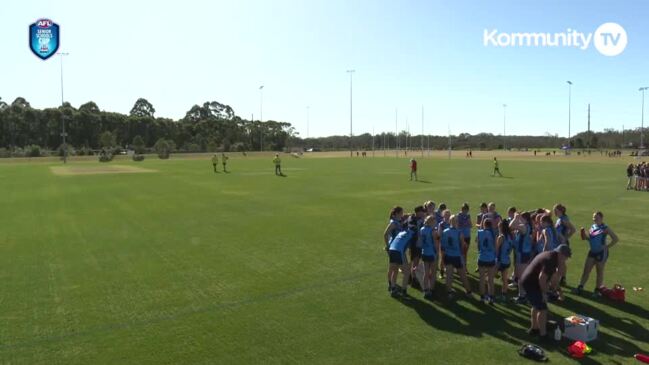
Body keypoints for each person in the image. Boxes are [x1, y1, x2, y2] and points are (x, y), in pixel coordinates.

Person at [520, 244, 571, 341]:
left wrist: (559, 290)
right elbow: (542, 278)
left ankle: (534, 329)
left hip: (530, 281)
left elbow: (554, 278)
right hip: (531, 283)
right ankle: (542, 335)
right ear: (561, 254)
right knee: (542, 309)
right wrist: (543, 293)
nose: (566, 260)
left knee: (536, 306)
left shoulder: (553, 257)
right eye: (566, 257)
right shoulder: (550, 260)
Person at [573, 211, 619, 296]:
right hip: (592, 251)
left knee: (599, 271)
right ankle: (580, 287)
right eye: (594, 217)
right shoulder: (593, 226)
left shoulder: (605, 228)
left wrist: (606, 247)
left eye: (597, 217)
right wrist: (584, 236)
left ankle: (597, 290)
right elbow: (590, 239)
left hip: (601, 253)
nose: (595, 219)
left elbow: (615, 239)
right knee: (586, 270)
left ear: (601, 218)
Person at [440, 215, 472, 299]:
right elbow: (462, 247)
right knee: (463, 275)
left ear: (449, 222)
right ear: (457, 222)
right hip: (457, 256)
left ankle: (449, 293)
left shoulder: (445, 231)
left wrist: (443, 257)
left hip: (448, 256)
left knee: (449, 275)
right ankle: (469, 292)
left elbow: (442, 246)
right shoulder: (459, 232)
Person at [387, 222, 417, 297]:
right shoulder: (412, 235)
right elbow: (409, 248)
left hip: (391, 249)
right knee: (407, 272)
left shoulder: (401, 232)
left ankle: (393, 288)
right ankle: (404, 291)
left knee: (395, 270)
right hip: (399, 251)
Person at [511, 212, 534, 303]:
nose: (520, 219)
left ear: (525, 219)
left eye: (521, 218)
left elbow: (511, 226)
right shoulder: (525, 226)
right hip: (523, 253)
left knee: (521, 276)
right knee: (520, 275)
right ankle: (523, 295)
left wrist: (515, 218)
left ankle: (523, 296)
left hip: (522, 253)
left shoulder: (524, 227)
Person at [554, 204, 576, 284]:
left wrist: (565, 238)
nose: (554, 212)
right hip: (559, 243)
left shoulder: (564, 219)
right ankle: (562, 278)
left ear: (561, 211)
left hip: (562, 244)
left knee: (561, 261)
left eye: (556, 211)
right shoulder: (559, 219)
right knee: (560, 261)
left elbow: (573, 229)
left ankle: (562, 278)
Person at [476, 219, 497, 304]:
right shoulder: (493, 233)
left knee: (482, 279)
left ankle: (482, 297)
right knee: (490, 279)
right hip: (491, 258)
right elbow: (495, 247)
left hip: (482, 257)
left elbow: (478, 246)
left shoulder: (479, 232)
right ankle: (491, 298)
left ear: (483, 224)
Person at [419, 215, 439, 299]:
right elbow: (435, 244)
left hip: (424, 252)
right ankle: (432, 290)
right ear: (431, 222)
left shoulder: (422, 229)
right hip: (432, 253)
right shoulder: (433, 231)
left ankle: (425, 290)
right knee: (433, 272)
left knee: (426, 273)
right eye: (434, 221)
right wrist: (437, 253)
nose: (436, 223)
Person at [496, 221, 514, 302]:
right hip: (507, 260)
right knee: (505, 279)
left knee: (489, 277)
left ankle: (490, 295)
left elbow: (496, 250)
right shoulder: (510, 237)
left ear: (501, 227)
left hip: (500, 261)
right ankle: (504, 295)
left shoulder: (501, 237)